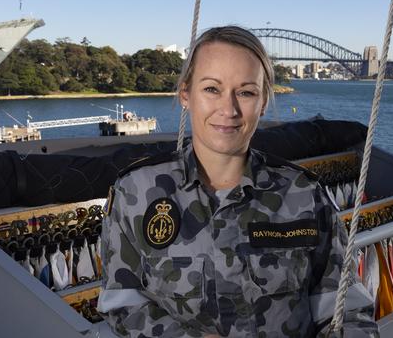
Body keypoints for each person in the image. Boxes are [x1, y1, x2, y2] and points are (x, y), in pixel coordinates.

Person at [97, 26, 378, 337]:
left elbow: (346, 313)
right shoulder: (135, 193)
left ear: (262, 102)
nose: (228, 110)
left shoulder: (305, 195)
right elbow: (122, 305)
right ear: (186, 95)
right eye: (211, 89)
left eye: (245, 92)